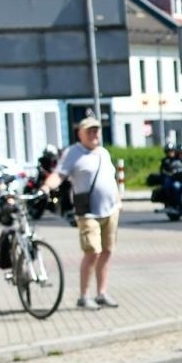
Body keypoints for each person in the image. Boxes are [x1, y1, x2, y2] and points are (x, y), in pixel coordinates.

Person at [41, 117, 119, 309]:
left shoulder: (103, 153)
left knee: (107, 251)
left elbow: (111, 178)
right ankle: (84, 296)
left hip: (110, 209)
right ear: (80, 134)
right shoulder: (73, 153)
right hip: (88, 211)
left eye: (96, 131)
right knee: (93, 251)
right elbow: (59, 174)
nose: (94, 135)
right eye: (90, 131)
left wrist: (118, 201)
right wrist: (45, 187)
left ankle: (101, 292)